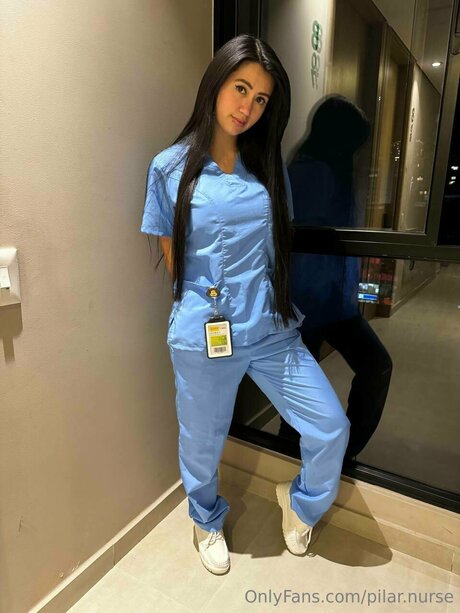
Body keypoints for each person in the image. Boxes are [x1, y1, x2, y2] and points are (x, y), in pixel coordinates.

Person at [140, 34, 350, 576]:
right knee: (202, 442)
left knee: (330, 425)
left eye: (260, 99)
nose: (247, 108)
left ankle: (301, 502)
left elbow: (276, 245)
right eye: (240, 88)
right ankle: (205, 519)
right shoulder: (168, 168)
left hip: (271, 328)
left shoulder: (267, 168)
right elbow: (175, 261)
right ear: (215, 83)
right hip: (205, 332)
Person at [279, 96, 393, 461]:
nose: (356, 153)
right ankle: (323, 457)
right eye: (352, 144)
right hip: (309, 304)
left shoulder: (329, 171)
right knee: (370, 368)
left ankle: (330, 456)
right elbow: (302, 246)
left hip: (331, 303)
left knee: (308, 392)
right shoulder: (311, 173)